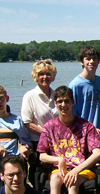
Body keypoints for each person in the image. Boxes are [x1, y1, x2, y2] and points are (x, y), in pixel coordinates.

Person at [37, 86, 100, 194]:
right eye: (59, 101)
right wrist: (58, 160)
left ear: (73, 102)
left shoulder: (86, 126)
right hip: (59, 169)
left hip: (82, 169)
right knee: (54, 180)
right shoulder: (49, 126)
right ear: (55, 103)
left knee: (72, 182)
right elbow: (42, 155)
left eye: (66, 101)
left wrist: (75, 170)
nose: (63, 105)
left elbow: (97, 154)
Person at [21, 59, 59, 187]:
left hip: (57, 142)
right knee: (38, 175)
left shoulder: (57, 95)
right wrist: (46, 133)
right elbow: (27, 123)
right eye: (41, 74)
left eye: (48, 74)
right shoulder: (30, 96)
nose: (45, 77)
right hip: (38, 142)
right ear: (35, 76)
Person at [69, 45, 100, 130]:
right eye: (88, 59)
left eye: (94, 58)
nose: (91, 61)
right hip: (81, 131)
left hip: (98, 131)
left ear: (98, 61)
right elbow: (71, 115)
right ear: (82, 62)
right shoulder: (75, 85)